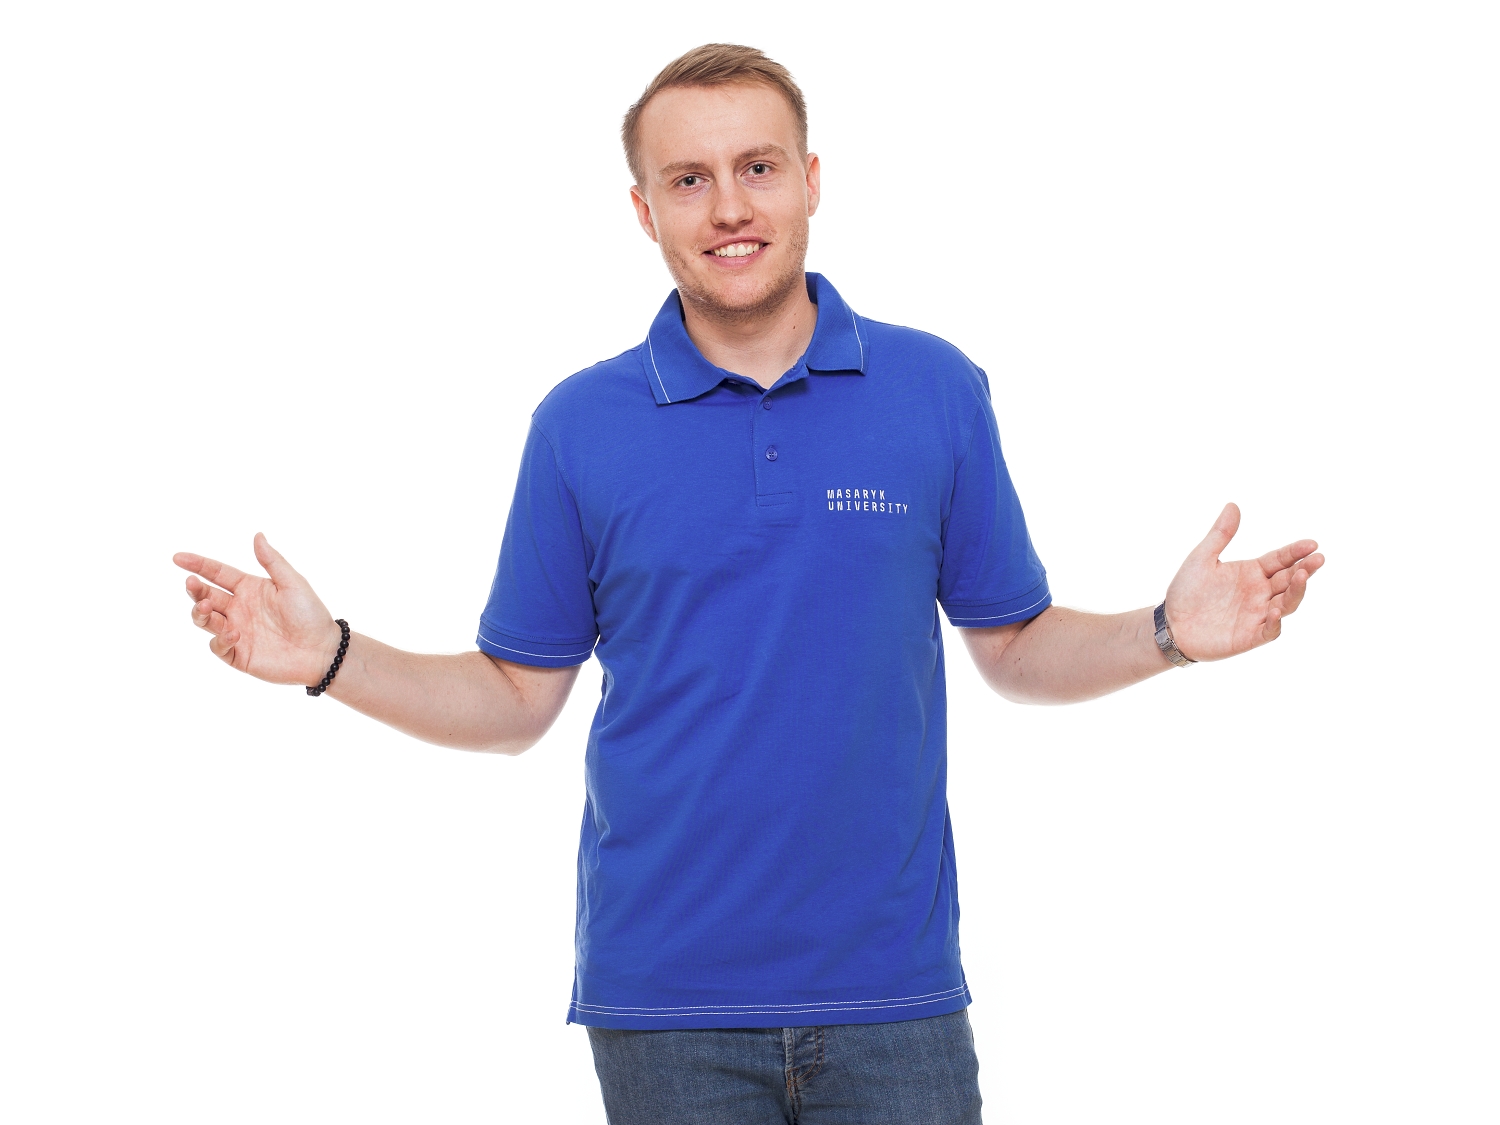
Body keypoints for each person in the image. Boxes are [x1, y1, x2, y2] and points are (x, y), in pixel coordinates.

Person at [174, 43, 1323, 1125]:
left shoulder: (933, 389)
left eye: (758, 168)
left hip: (895, 996)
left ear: (811, 180)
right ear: (645, 210)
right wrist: (330, 659)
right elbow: (515, 701)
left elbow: (1015, 648)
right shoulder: (580, 425)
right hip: (665, 1005)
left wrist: (1166, 632)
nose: (729, 206)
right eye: (689, 179)